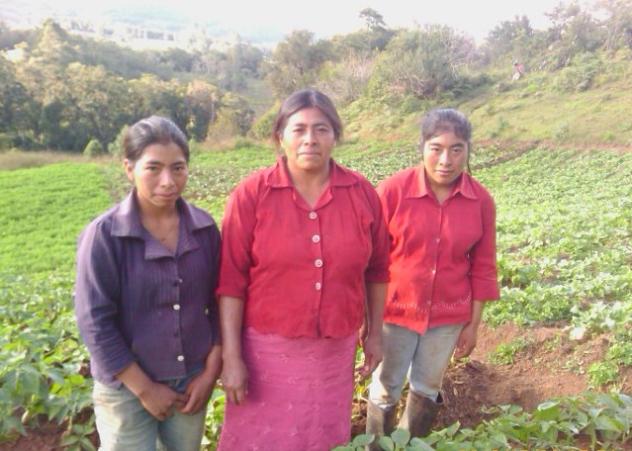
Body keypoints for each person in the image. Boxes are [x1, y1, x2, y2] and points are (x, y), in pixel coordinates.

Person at [217, 88, 389, 451]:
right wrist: (231, 356)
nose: (310, 139)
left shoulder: (361, 193)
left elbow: (377, 270)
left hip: (333, 352)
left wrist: (374, 332)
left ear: (335, 136)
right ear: (280, 136)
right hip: (265, 353)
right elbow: (231, 282)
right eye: (299, 129)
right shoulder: (251, 195)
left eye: (321, 129)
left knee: (320, 435)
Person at [74, 116, 222, 451]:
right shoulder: (105, 236)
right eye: (153, 168)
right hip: (125, 388)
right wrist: (145, 389)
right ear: (129, 168)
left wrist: (210, 372)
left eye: (178, 168)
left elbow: (218, 302)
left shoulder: (203, 229)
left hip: (191, 383)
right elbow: (94, 321)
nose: (168, 181)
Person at [366, 108, 500, 443]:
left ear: (468, 150)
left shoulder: (480, 200)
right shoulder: (393, 191)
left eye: (456, 149)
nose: (445, 160)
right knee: (386, 385)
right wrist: (366, 317)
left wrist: (473, 325)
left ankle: (410, 444)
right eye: (436, 148)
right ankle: (376, 446)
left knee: (427, 387)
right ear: (422, 147)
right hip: (394, 311)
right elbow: (370, 259)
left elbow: (483, 266)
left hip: (448, 316)